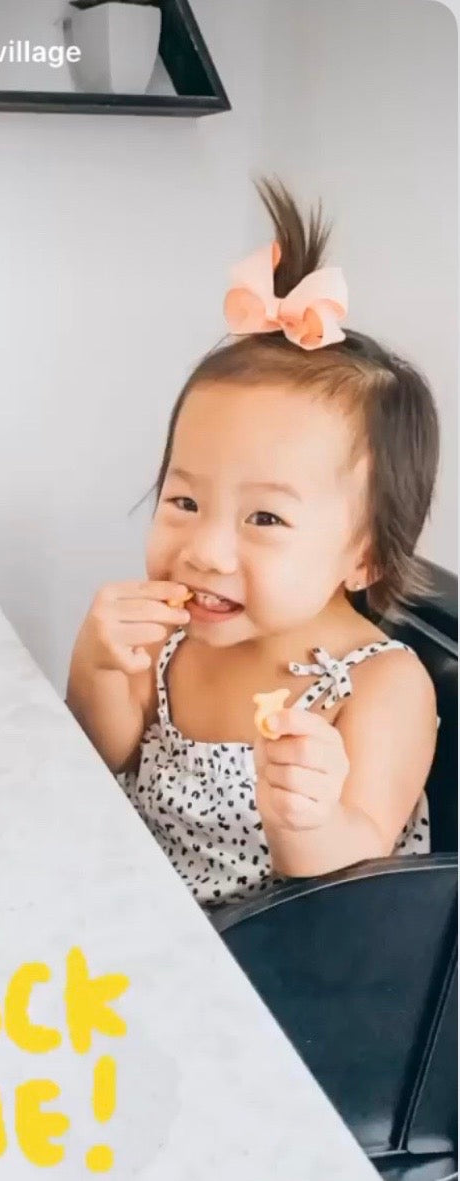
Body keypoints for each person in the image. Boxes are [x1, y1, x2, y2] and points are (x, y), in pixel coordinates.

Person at [66, 178, 439, 907]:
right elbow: (103, 754)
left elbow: (354, 883)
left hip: (270, 954)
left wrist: (312, 820)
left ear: (365, 554)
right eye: (184, 501)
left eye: (264, 519)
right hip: (133, 906)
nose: (204, 550)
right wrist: (98, 665)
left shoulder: (379, 686)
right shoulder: (175, 636)